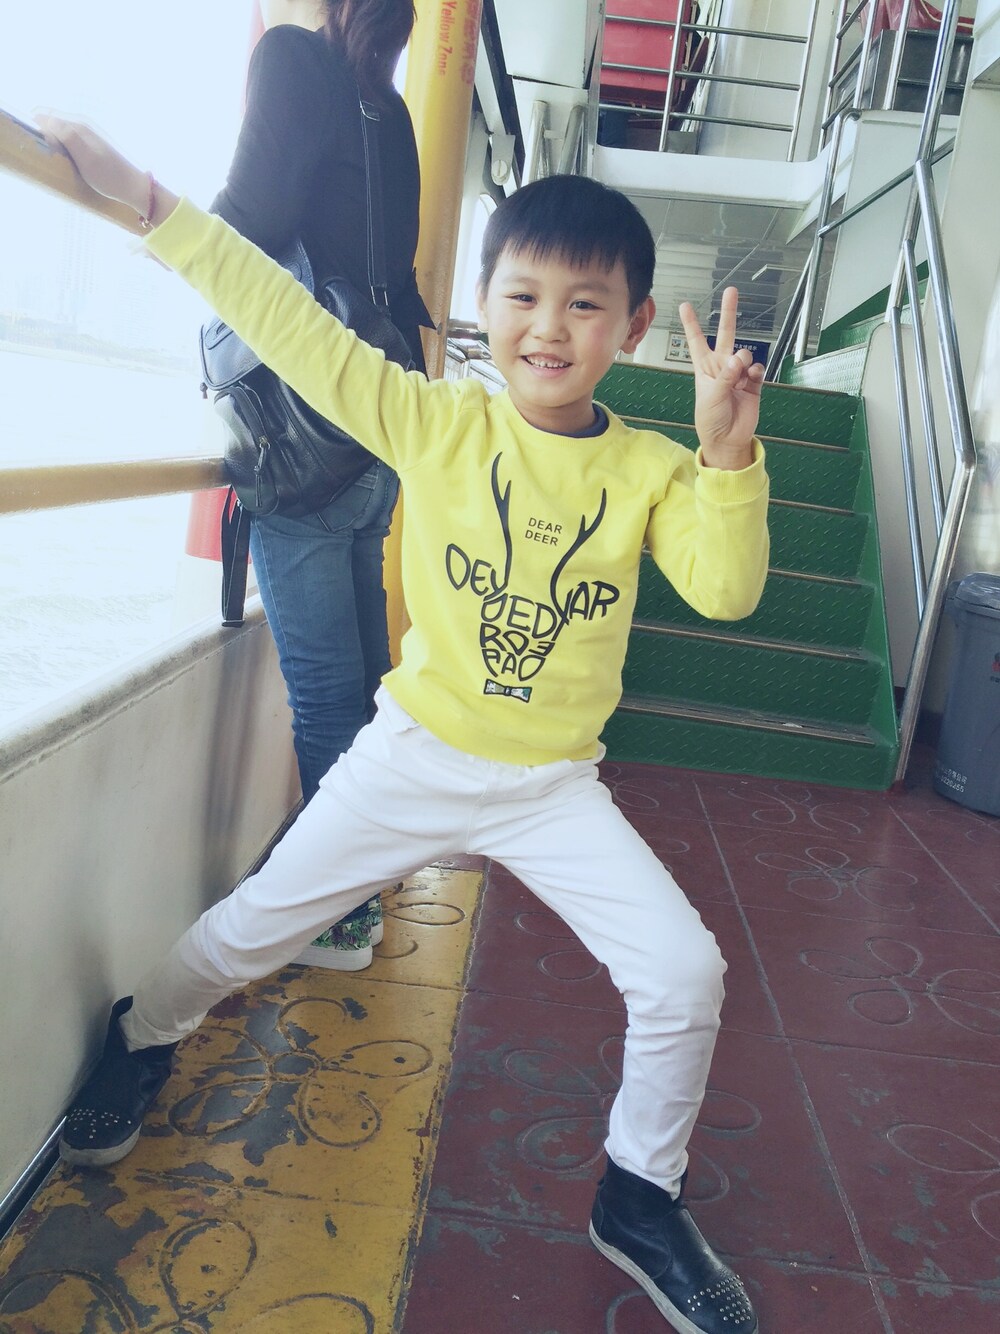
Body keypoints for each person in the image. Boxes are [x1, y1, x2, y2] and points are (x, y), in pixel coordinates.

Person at [41, 109, 770, 1334]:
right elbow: (288, 321)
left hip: (551, 783)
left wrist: (727, 460)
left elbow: (725, 589)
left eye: (585, 304)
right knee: (250, 932)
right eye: (524, 295)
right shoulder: (437, 421)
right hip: (413, 756)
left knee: (684, 970)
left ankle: (639, 1193)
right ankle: (144, 1029)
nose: (549, 326)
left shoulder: (651, 468)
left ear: (634, 325)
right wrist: (147, 201)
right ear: (486, 304)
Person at [211, 0, 431, 970]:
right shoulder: (391, 108)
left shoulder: (293, 59)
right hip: (375, 428)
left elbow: (240, 231)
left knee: (328, 694)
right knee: (367, 680)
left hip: (303, 440)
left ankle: (343, 915)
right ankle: (370, 877)